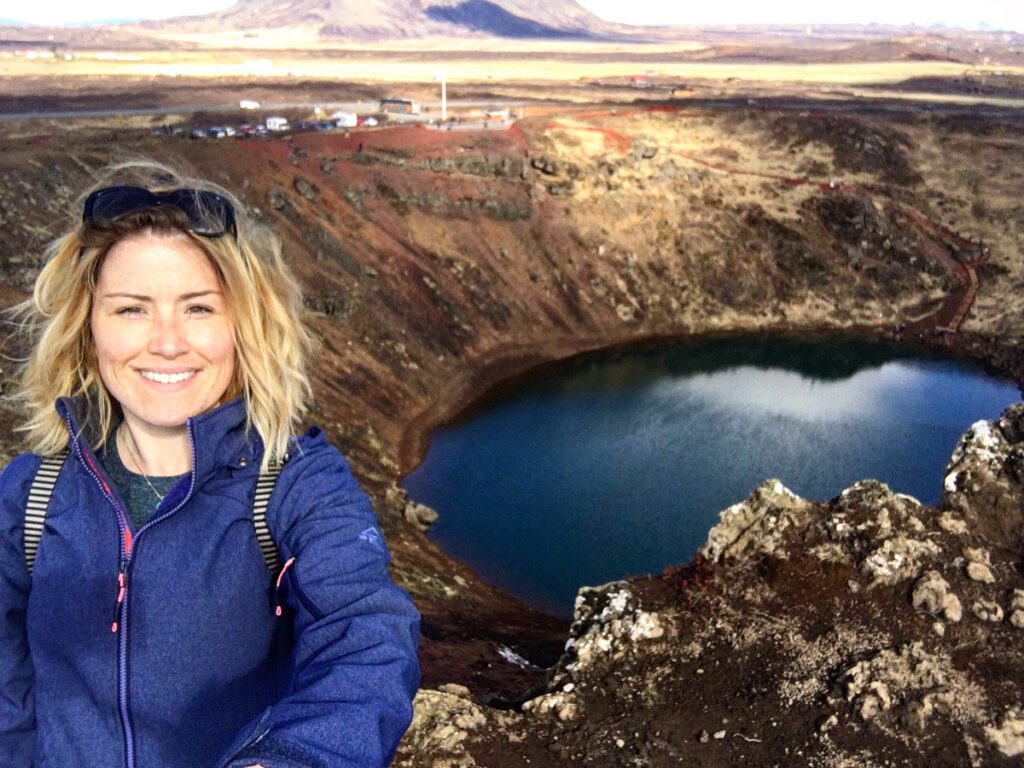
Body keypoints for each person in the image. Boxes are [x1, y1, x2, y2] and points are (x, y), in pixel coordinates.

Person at [0, 160, 421, 767]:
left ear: (243, 326)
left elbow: (365, 634)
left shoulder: (295, 483)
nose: (167, 342)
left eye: (199, 308)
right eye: (130, 309)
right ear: (88, 329)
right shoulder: (30, 494)